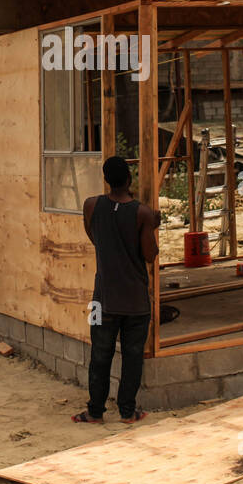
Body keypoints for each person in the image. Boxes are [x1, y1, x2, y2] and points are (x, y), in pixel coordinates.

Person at [73, 155, 159, 424]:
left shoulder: (91, 206)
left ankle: (95, 411)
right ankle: (127, 411)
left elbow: (94, 238)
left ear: (106, 180)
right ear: (129, 179)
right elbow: (149, 255)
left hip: (103, 299)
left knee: (100, 355)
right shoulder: (142, 213)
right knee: (132, 357)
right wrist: (152, 226)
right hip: (134, 301)